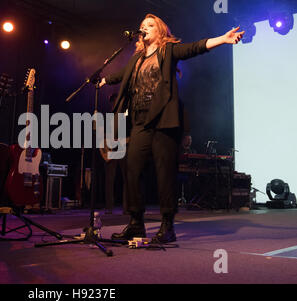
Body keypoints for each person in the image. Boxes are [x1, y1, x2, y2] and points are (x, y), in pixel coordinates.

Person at [98, 13, 244, 243]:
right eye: (142, 26)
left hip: (164, 119)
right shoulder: (136, 58)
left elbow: (195, 48)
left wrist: (222, 39)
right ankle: (136, 223)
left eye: (149, 25)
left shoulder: (168, 51)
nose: (144, 28)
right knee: (132, 170)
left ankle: (167, 226)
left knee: (164, 174)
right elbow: (122, 76)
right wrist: (105, 79)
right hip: (140, 121)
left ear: (160, 31)